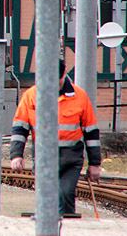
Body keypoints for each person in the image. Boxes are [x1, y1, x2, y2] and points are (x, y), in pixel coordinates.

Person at [10, 60, 102, 215]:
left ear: (64, 74)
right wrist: (16, 155)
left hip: (71, 158)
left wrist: (94, 164)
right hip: (44, 157)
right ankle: (46, 232)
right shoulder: (31, 96)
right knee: (46, 197)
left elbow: (91, 133)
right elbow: (20, 128)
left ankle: (68, 230)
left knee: (66, 194)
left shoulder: (80, 97)